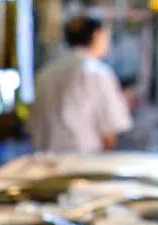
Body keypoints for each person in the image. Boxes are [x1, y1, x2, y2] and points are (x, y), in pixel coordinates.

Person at [30, 14, 133, 153]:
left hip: (47, 161)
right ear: (97, 36)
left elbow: (34, 125)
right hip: (84, 160)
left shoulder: (46, 73)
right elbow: (109, 131)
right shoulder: (98, 73)